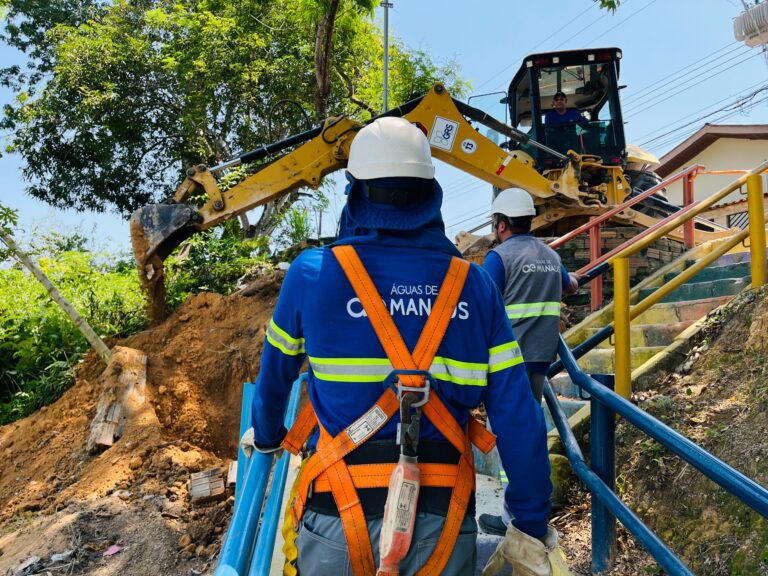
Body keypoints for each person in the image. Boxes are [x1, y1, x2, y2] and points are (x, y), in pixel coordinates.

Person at [241, 117, 562, 576]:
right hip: (443, 522)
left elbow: (274, 384)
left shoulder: (311, 275)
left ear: (356, 192)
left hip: (336, 514)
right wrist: (530, 522)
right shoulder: (474, 287)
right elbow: (517, 416)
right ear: (431, 195)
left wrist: (269, 438)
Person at [483, 187, 581, 405]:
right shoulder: (551, 256)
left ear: (501, 225)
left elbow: (483, 304)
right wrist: (573, 276)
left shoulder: (499, 258)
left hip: (508, 357)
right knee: (531, 414)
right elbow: (571, 286)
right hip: (543, 354)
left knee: (505, 423)